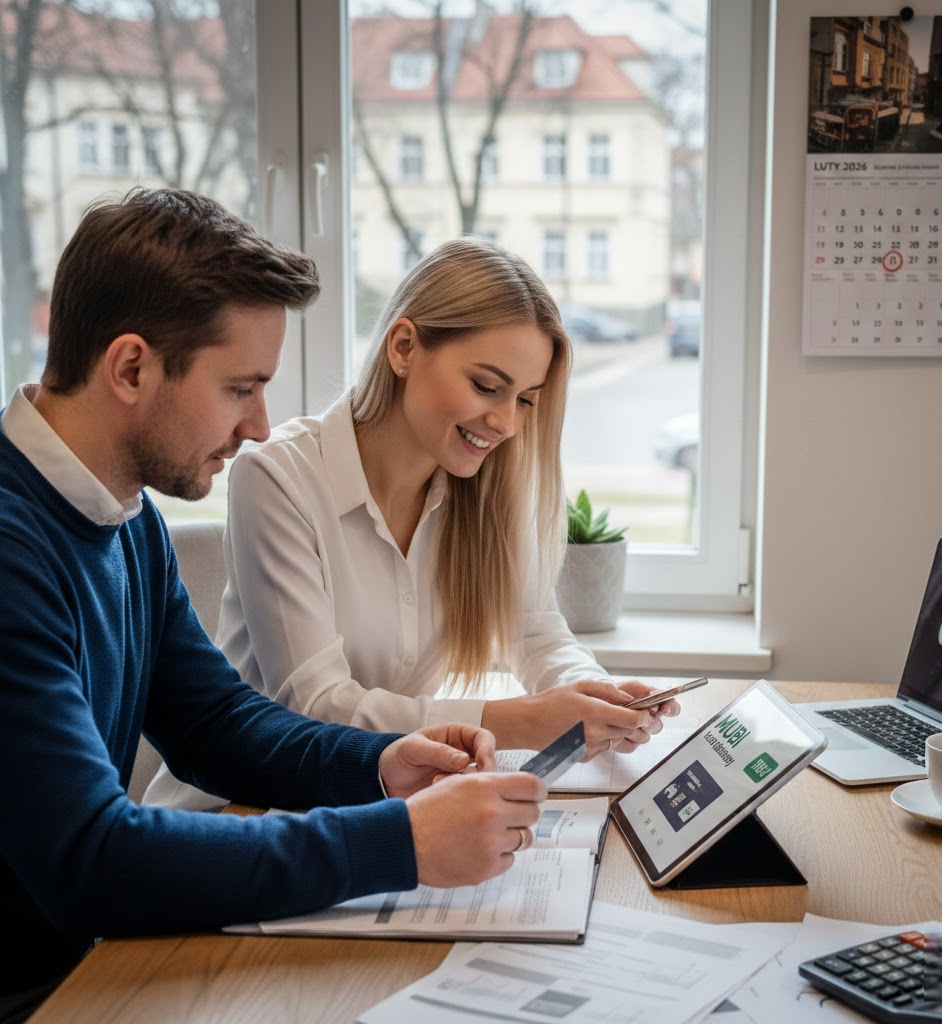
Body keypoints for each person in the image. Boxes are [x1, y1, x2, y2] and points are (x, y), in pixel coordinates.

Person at [0, 189, 546, 1022]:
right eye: (240, 388)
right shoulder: (11, 547)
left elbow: (216, 724)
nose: (259, 426)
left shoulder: (124, 514)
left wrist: (379, 765)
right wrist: (398, 843)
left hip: (92, 966)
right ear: (132, 368)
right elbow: (92, 859)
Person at [146, 235, 678, 811]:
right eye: (486, 386)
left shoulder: (484, 485)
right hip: (237, 812)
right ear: (403, 347)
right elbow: (316, 705)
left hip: (371, 799)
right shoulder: (278, 477)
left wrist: (595, 696)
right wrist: (522, 721)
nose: (505, 423)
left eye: (526, 399)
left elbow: (535, 633)